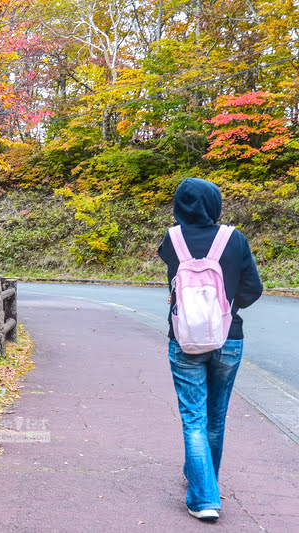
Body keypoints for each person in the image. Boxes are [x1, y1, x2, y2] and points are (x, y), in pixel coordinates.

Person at [158, 177, 263, 521]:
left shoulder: (172, 240)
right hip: (228, 338)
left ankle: (203, 496)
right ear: (215, 204)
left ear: (179, 205)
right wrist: (228, 309)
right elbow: (254, 288)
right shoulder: (234, 239)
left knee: (194, 419)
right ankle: (206, 485)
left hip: (185, 339)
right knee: (215, 419)